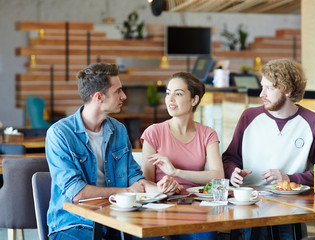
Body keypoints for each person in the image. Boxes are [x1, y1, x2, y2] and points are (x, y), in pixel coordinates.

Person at [46, 63, 180, 240]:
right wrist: (126, 191)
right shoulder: (60, 134)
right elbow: (76, 192)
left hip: (118, 218)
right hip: (74, 224)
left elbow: (133, 175)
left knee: (154, 237)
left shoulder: (118, 129)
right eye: (118, 91)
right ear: (99, 97)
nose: (124, 96)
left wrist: (159, 189)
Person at [222, 58, 315, 239]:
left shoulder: (313, 122)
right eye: (262, 87)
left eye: (269, 88)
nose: (262, 94)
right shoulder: (248, 117)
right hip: (248, 207)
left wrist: (289, 178)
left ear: (288, 90)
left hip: (291, 211)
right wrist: (233, 172)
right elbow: (229, 158)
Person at [140, 72, 224, 240]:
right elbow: (145, 180)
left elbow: (218, 177)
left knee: (206, 235)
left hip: (195, 205)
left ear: (194, 100)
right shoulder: (154, 132)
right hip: (161, 204)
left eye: (178, 94)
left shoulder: (208, 134)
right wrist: (162, 188)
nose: (170, 99)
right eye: (168, 93)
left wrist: (176, 172)